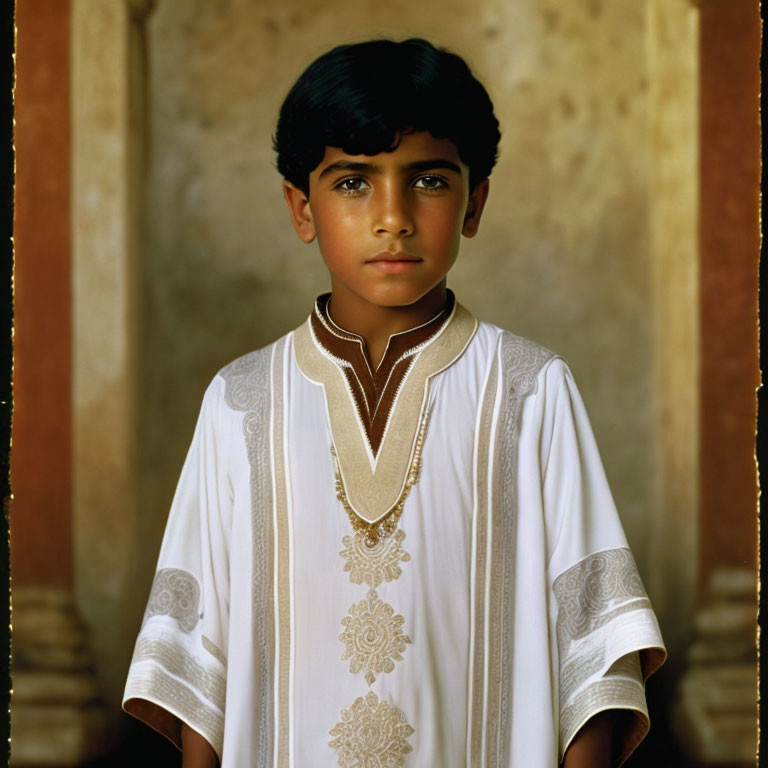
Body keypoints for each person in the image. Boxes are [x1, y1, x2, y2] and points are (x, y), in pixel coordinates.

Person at [123, 38, 665, 767]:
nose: (393, 217)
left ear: (475, 203)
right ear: (301, 207)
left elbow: (592, 658)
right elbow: (198, 675)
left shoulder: (531, 390)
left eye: (429, 181)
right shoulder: (240, 404)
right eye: (352, 182)